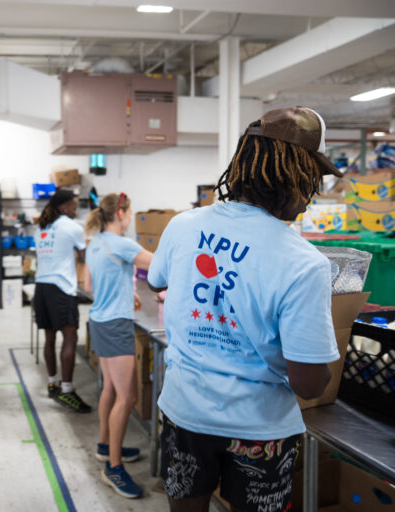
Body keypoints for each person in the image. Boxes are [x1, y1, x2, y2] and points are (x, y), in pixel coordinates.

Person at [147, 107, 344, 512]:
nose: (313, 193)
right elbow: (309, 383)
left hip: (186, 413)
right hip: (260, 431)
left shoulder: (184, 225)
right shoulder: (303, 262)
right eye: (314, 178)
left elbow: (157, 280)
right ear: (296, 174)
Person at [83, 192, 153, 499]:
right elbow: (160, 267)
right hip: (116, 325)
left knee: (110, 389)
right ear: (122, 213)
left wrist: (123, 290)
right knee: (128, 397)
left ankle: (104, 446)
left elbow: (89, 287)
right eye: (130, 213)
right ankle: (113, 467)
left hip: (99, 320)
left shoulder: (95, 243)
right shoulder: (122, 244)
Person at [34, 189, 92, 413]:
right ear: (64, 207)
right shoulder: (72, 227)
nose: (76, 210)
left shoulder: (41, 227)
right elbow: (84, 255)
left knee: (49, 338)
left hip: (42, 287)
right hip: (61, 288)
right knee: (70, 337)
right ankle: (67, 391)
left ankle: (53, 383)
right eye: (74, 206)